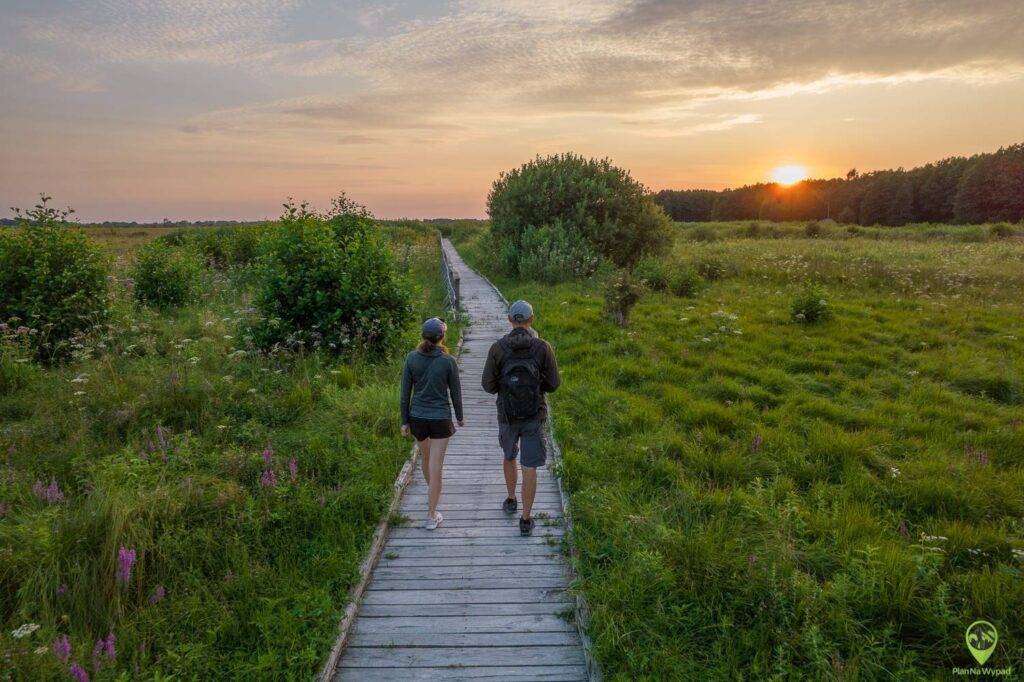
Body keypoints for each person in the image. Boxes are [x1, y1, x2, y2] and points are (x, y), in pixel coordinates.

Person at [482, 300, 560, 536]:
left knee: (509, 455)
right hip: (534, 415)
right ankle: (526, 519)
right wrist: (537, 387)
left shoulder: (498, 348)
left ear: (509, 320)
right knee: (529, 466)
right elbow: (554, 383)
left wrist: (506, 388)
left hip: (506, 414)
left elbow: (487, 384)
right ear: (531, 319)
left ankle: (511, 498)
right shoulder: (542, 347)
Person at [400, 317, 464, 530]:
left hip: (417, 417)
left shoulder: (411, 359)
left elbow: (404, 394)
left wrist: (404, 421)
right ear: (442, 337)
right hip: (439, 418)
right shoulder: (448, 361)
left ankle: (432, 493)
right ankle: (431, 514)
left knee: (426, 459)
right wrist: (460, 416)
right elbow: (455, 392)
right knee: (436, 466)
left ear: (423, 336)